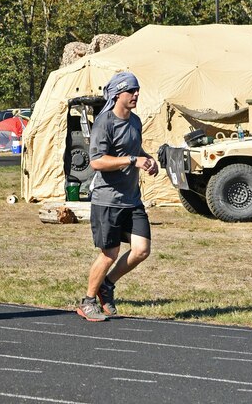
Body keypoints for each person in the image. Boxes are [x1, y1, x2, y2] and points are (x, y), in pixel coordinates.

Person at [77, 72, 159, 322]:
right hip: (107, 199)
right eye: (131, 91)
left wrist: (147, 160)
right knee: (109, 254)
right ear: (117, 95)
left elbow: (135, 151)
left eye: (137, 90)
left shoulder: (135, 121)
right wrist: (133, 160)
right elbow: (97, 161)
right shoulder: (105, 123)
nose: (136, 95)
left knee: (141, 250)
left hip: (132, 199)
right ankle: (88, 301)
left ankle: (107, 285)